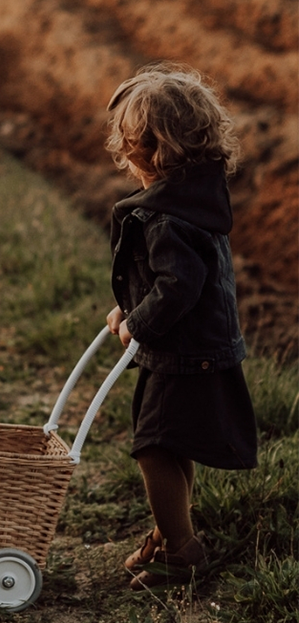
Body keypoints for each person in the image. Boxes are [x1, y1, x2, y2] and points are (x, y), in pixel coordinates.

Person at [105, 62, 257, 591]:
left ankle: (182, 551)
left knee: (153, 443)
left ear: (152, 155)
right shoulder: (198, 199)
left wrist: (139, 323)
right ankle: (173, 532)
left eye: (131, 152)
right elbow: (174, 280)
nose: (127, 162)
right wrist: (128, 310)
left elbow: (178, 286)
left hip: (184, 351)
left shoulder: (166, 217)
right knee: (172, 441)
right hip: (198, 347)